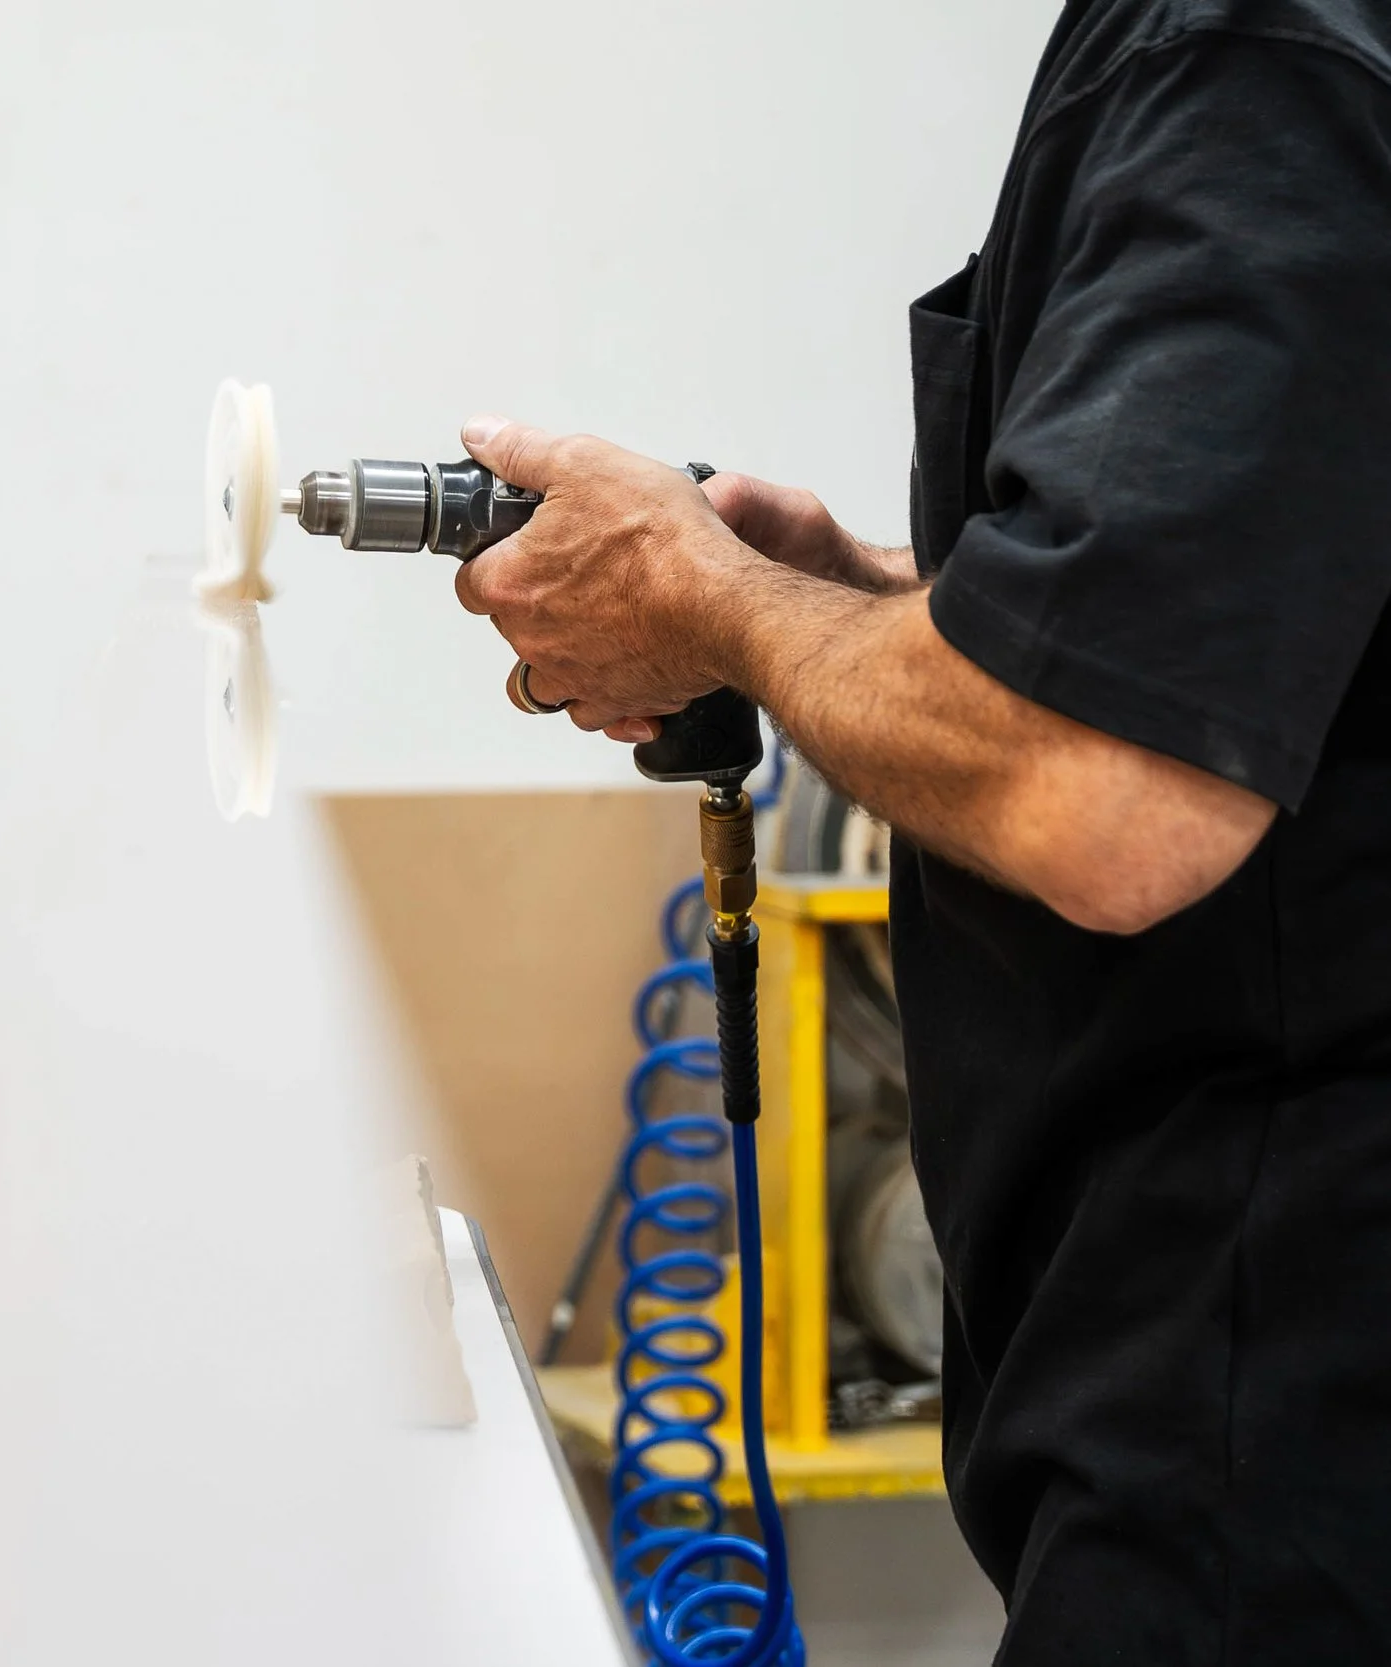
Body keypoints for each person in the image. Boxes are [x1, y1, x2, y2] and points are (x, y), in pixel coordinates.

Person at [456, 2, 1391, 1661]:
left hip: (1270, 1430)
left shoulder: (1254, 60)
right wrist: (853, 597)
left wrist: (705, 596)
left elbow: (1110, 791)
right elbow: (1246, 628)